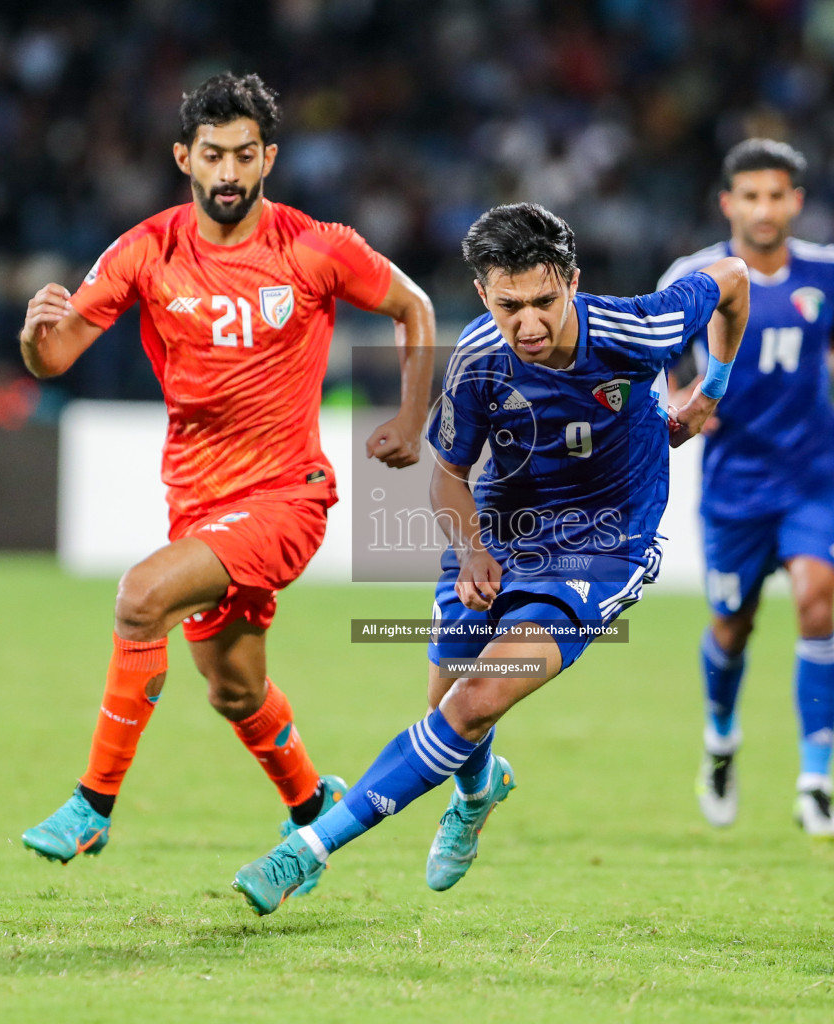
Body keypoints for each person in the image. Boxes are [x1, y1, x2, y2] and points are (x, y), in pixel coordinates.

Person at [231, 201, 750, 916]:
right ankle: (477, 793)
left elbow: (734, 278)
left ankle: (306, 849)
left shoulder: (641, 327)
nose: (529, 324)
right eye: (510, 306)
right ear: (483, 295)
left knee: (474, 699)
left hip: (604, 547)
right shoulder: (479, 356)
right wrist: (471, 549)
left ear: (572, 280)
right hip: (502, 536)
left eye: (545, 301)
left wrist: (707, 393)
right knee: (447, 703)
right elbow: (448, 473)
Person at [17, 73, 434, 889]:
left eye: (246, 154)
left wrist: (412, 420)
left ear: (269, 156)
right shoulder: (146, 249)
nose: (231, 171)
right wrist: (34, 339)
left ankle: (91, 810)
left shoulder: (315, 247)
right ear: (186, 158)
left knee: (140, 599)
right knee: (235, 691)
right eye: (214, 155)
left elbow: (414, 306)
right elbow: (55, 356)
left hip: (287, 498)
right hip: (198, 502)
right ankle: (313, 808)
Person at [661, 139, 834, 837]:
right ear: (728, 203)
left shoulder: (828, 272)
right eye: (749, 195)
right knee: (732, 626)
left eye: (776, 194)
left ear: (796, 202)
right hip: (735, 489)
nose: (763, 207)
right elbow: (659, 358)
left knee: (817, 602)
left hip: (814, 474)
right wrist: (680, 409)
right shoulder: (694, 277)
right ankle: (721, 741)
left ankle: (816, 782)